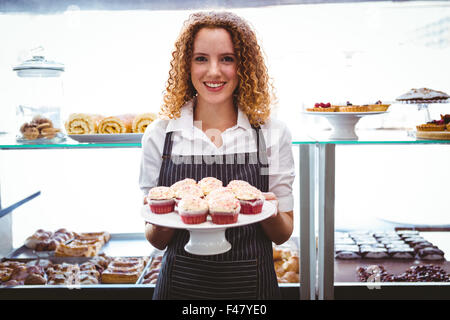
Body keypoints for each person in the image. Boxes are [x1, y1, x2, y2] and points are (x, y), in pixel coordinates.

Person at [139, 11, 295, 300]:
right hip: (179, 286)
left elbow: (283, 233)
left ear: (244, 65)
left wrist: (265, 208)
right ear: (186, 65)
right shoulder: (160, 134)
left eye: (227, 58)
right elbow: (156, 240)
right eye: (201, 58)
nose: (214, 71)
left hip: (253, 287)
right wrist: (161, 212)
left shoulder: (272, 132)